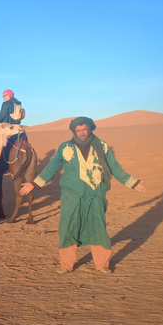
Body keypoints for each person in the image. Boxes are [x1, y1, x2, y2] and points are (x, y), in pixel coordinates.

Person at [19, 117, 146, 274]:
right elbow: (52, 167)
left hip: (96, 194)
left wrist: (133, 182)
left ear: (91, 128)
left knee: (98, 226)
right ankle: (66, 264)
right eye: (78, 130)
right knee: (68, 226)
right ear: (73, 131)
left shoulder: (102, 146)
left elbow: (115, 168)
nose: (82, 133)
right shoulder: (65, 147)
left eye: (85, 129)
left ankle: (102, 264)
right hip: (71, 195)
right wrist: (34, 183)